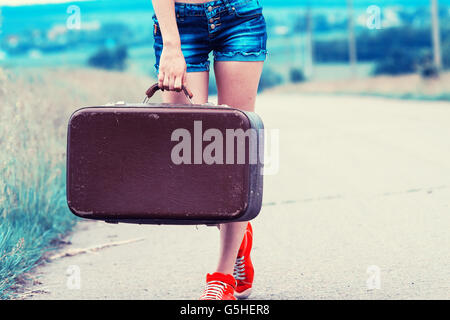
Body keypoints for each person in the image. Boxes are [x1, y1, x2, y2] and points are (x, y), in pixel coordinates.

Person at [151, 0, 267, 300]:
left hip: (239, 15)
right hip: (179, 22)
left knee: (235, 151)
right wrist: (171, 46)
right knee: (189, 154)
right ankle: (238, 231)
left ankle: (222, 276)